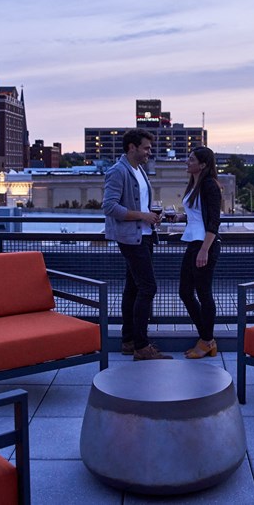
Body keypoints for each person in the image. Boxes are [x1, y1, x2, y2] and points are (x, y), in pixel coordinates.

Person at [102, 128, 172, 361]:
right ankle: (141, 347)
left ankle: (128, 340)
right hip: (131, 238)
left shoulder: (139, 169)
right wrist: (142, 216)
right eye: (146, 148)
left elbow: (141, 203)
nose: (149, 152)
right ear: (132, 147)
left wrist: (151, 216)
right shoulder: (117, 171)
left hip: (145, 235)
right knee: (148, 287)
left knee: (133, 288)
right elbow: (109, 207)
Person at [177, 146, 222, 359]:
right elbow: (197, 215)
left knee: (204, 293)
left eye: (191, 159)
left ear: (202, 164)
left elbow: (214, 221)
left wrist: (205, 249)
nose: (187, 161)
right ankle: (207, 339)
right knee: (185, 292)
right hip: (193, 242)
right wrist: (179, 218)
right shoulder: (194, 184)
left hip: (205, 245)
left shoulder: (210, 185)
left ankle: (206, 341)